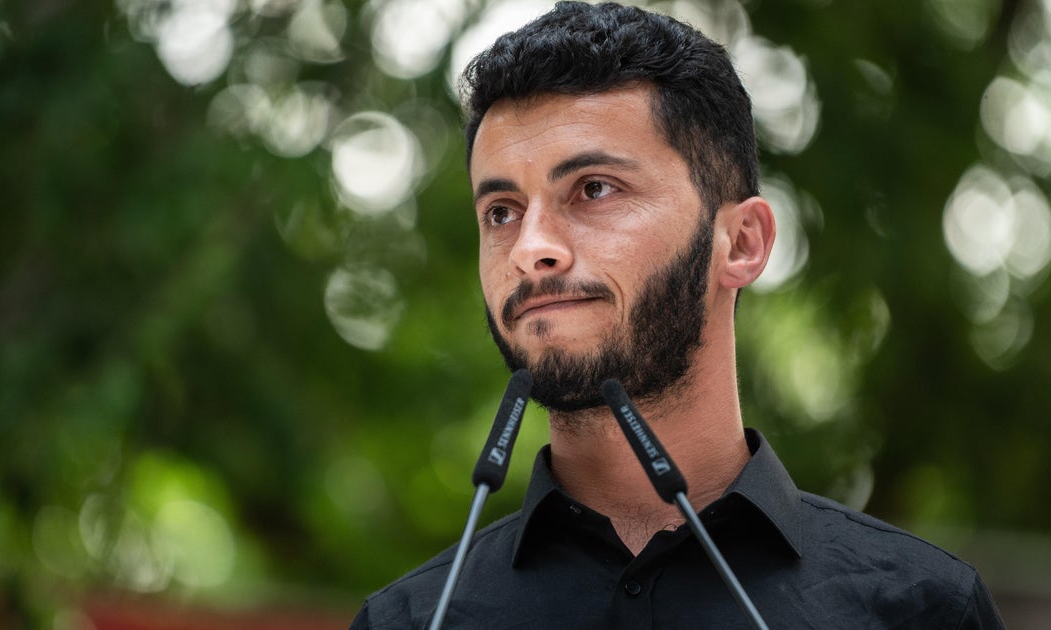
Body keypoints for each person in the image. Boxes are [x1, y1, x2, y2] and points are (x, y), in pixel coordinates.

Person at [351, 2, 1005, 628]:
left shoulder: (922, 610)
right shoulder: (411, 620)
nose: (530, 249)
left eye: (594, 189)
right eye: (501, 212)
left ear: (742, 242)